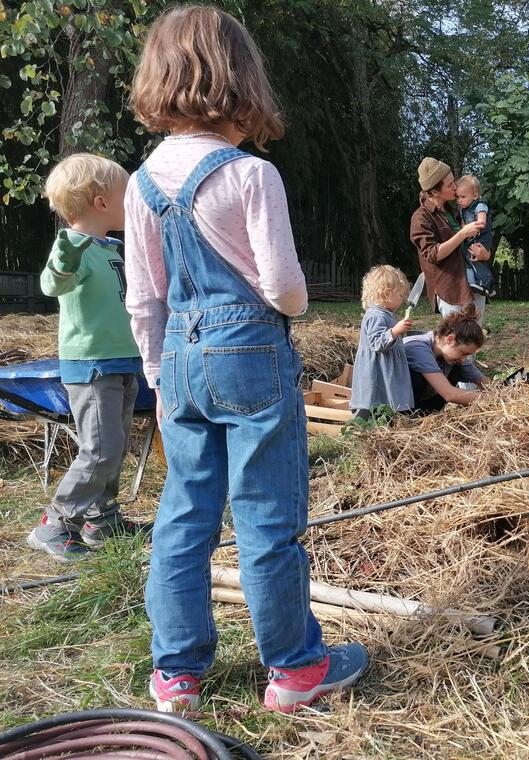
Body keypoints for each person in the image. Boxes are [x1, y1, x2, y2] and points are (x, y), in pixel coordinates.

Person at [124, 5, 367, 714]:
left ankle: (176, 674)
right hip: (249, 353)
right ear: (240, 79)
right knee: (265, 515)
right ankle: (294, 669)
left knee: (183, 515)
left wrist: (158, 377)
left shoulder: (141, 185)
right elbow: (287, 292)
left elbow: (145, 297)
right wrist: (279, 301)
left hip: (178, 355)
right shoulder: (250, 176)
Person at [26, 154, 145, 562]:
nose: (133, 201)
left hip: (123, 359)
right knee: (100, 448)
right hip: (92, 364)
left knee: (116, 442)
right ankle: (56, 521)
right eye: (126, 194)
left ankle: (101, 518)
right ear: (100, 202)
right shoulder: (73, 247)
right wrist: (62, 262)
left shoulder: (112, 247)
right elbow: (52, 283)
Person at [409, 158, 492, 321]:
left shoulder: (455, 210)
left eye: (454, 181)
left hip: (474, 285)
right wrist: (462, 234)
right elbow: (432, 255)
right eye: (449, 185)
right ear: (434, 192)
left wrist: (485, 255)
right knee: (456, 343)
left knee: (473, 341)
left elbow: (482, 236)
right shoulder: (421, 218)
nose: (455, 186)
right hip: (451, 291)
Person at [350, 265, 414, 418]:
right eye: (400, 295)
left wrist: (397, 330)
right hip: (378, 369)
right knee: (375, 398)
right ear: (386, 294)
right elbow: (377, 343)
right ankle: (366, 420)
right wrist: (395, 331)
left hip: (388, 368)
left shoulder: (386, 315)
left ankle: (391, 416)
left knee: (389, 397)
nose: (403, 300)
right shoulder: (375, 316)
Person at [403, 306, 489, 413]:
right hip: (397, 406)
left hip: (421, 404)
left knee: (457, 368)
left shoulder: (449, 352)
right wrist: (489, 399)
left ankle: (427, 414)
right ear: (450, 339)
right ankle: (409, 416)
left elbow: (482, 381)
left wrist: (499, 393)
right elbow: (449, 394)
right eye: (463, 353)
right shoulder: (418, 348)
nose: (464, 359)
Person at [455, 174, 496, 300]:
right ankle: (478, 283)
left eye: (463, 197)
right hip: (473, 238)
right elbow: (463, 224)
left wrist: (477, 226)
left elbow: (481, 221)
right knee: (471, 260)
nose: (459, 200)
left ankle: (487, 284)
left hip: (482, 238)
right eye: (457, 197)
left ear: (475, 195)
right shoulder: (464, 209)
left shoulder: (479, 205)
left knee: (476, 260)